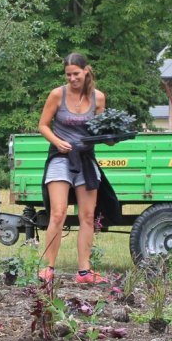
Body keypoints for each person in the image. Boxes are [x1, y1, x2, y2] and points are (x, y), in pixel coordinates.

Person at [36, 52, 108, 284]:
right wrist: (57, 141)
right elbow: (43, 125)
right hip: (60, 157)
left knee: (87, 215)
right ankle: (48, 268)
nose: (72, 79)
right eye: (68, 75)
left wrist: (109, 138)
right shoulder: (57, 95)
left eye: (76, 74)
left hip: (85, 159)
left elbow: (100, 131)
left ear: (86, 70)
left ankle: (84, 272)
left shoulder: (98, 98)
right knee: (58, 213)